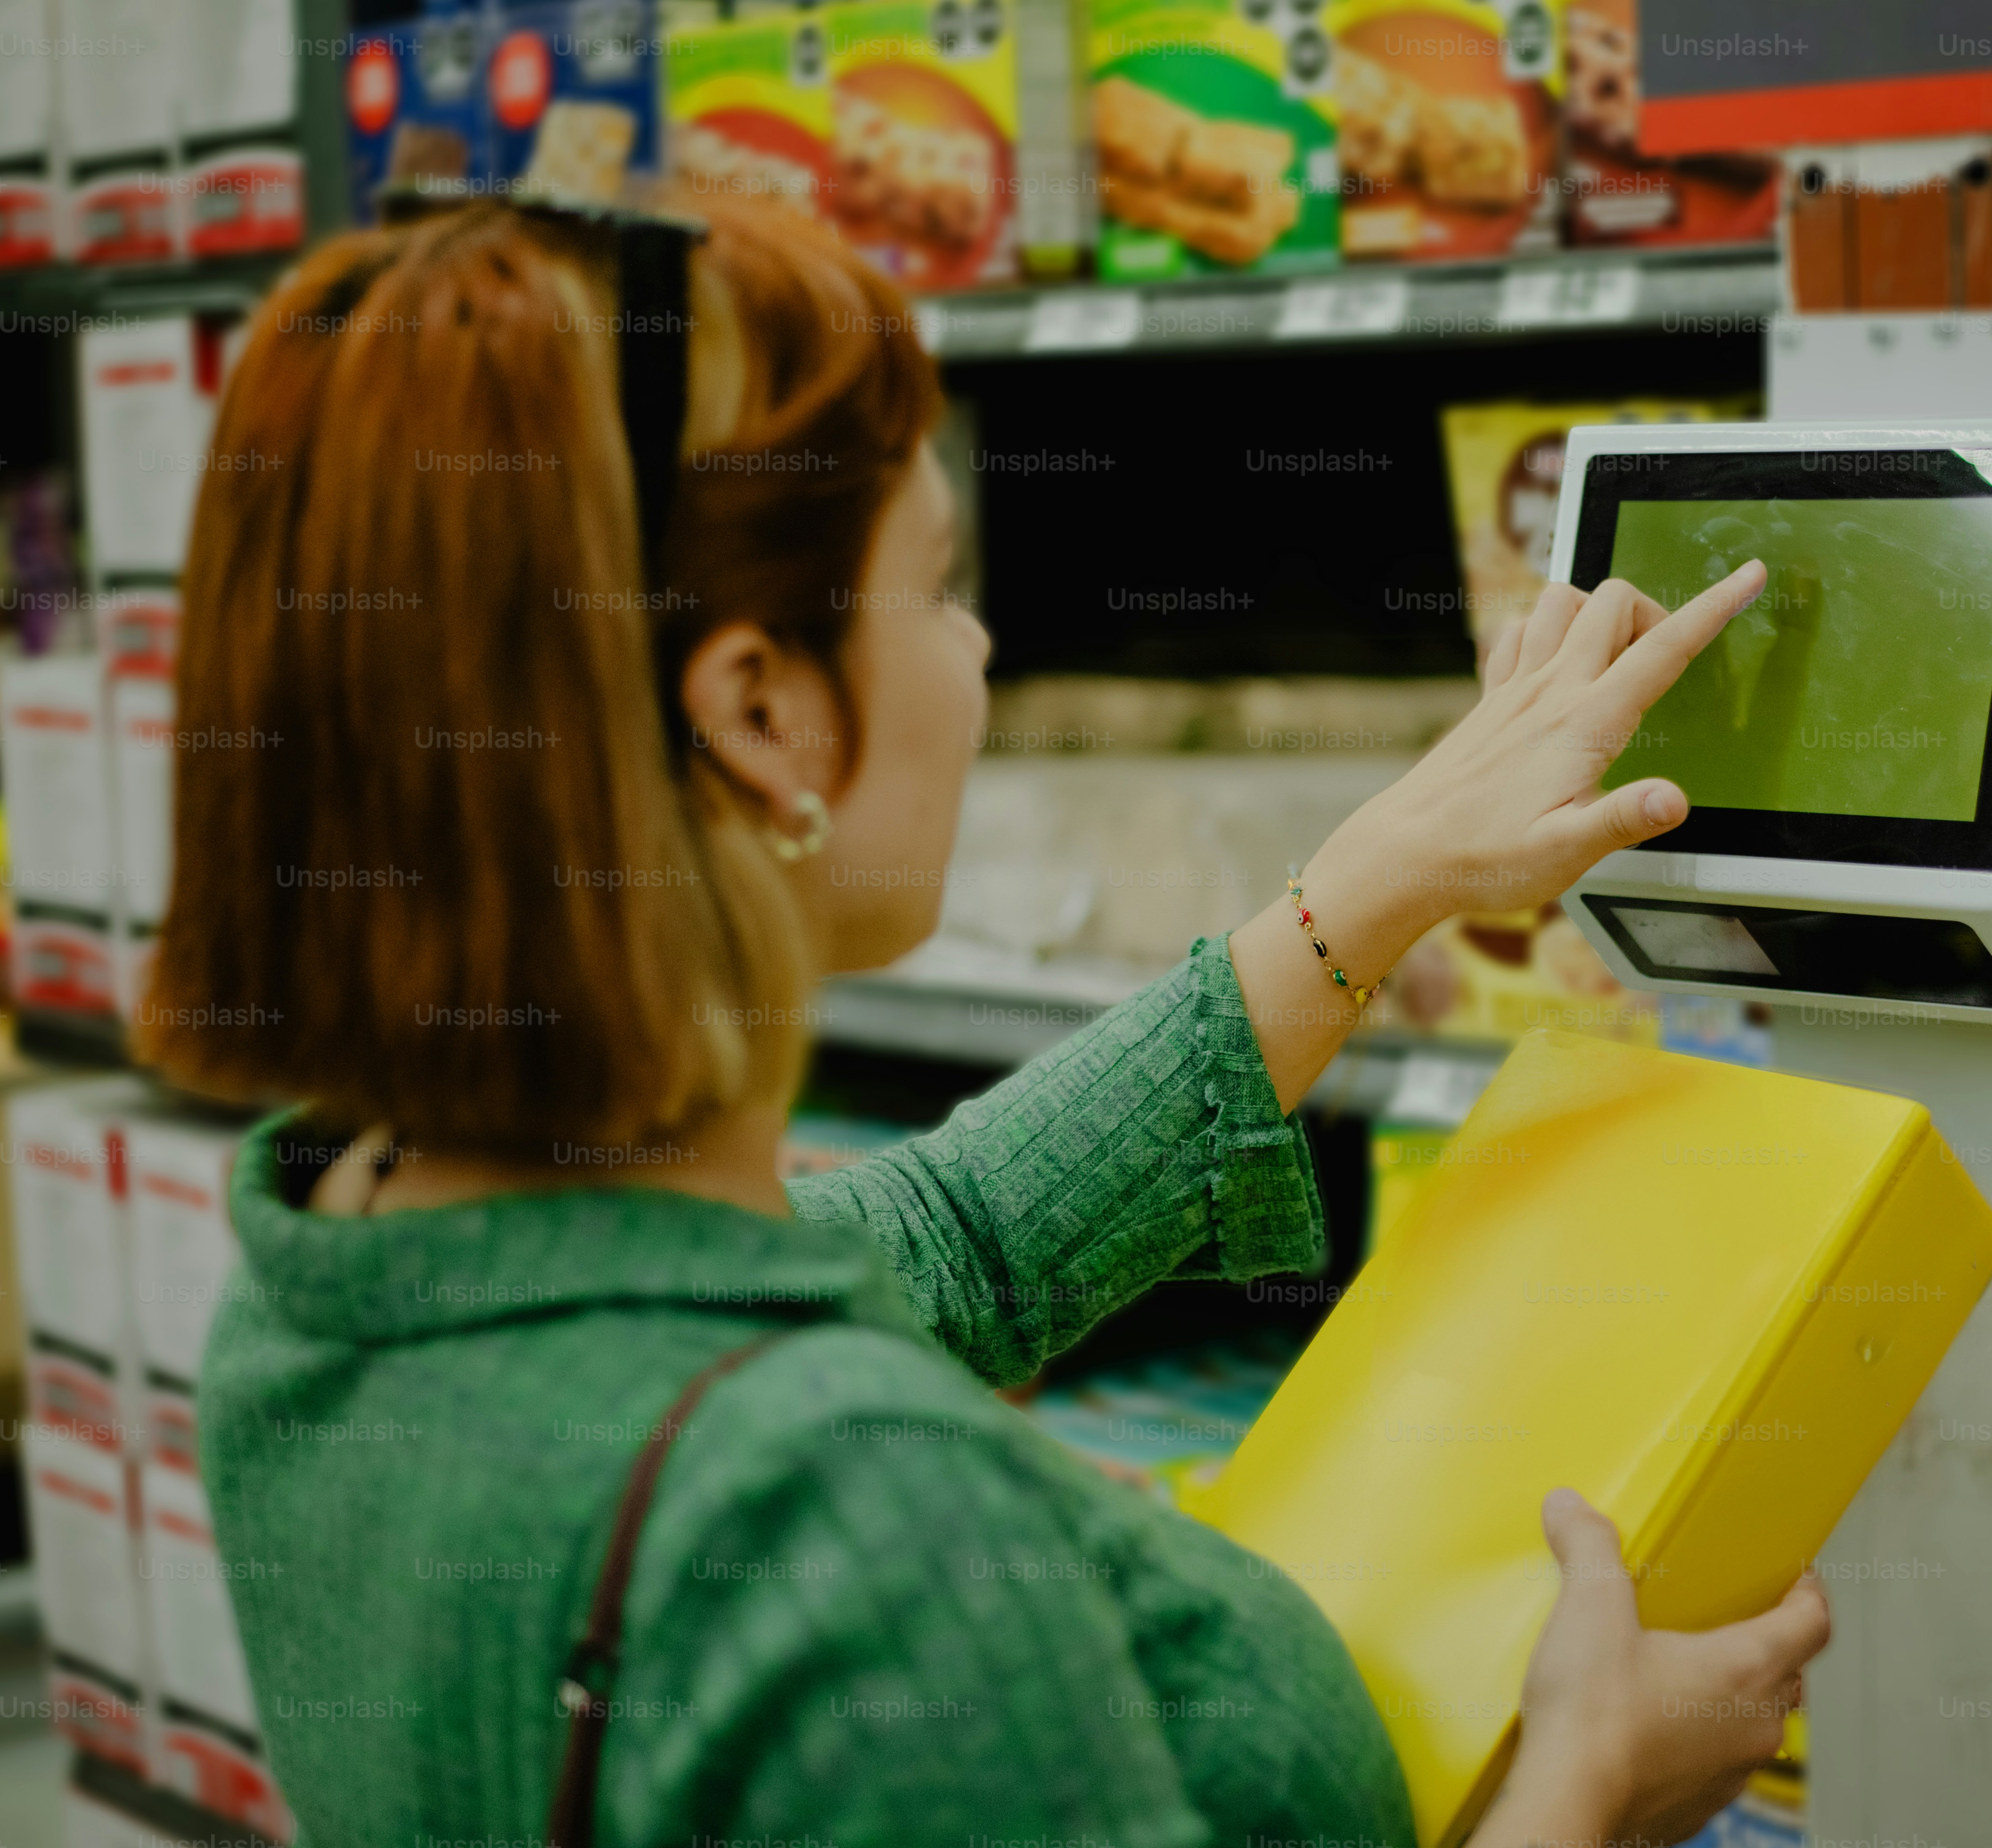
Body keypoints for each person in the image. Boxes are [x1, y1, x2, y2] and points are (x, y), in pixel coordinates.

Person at [142, 195, 1826, 1847]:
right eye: (937, 583)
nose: (980, 645)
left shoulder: (342, 1275)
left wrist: (1371, 880)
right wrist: (1585, 1789)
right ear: (759, 709)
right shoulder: (870, 1526)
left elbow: (946, 1240)